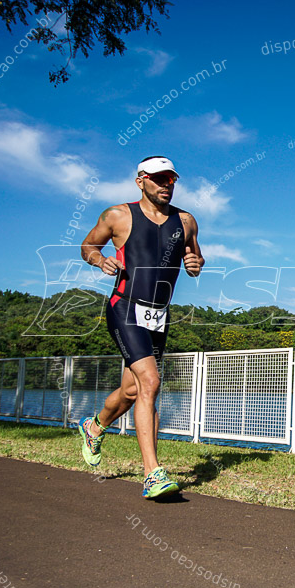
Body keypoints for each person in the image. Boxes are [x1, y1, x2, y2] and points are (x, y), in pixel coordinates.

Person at [78, 156, 204, 498]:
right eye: (159, 179)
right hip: (125, 309)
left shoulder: (186, 220)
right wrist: (99, 259)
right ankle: (153, 474)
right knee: (150, 382)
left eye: (171, 179)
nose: (166, 185)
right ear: (141, 181)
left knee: (133, 391)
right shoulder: (117, 215)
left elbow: (195, 258)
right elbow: (88, 245)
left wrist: (195, 263)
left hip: (159, 315)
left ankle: (94, 426)